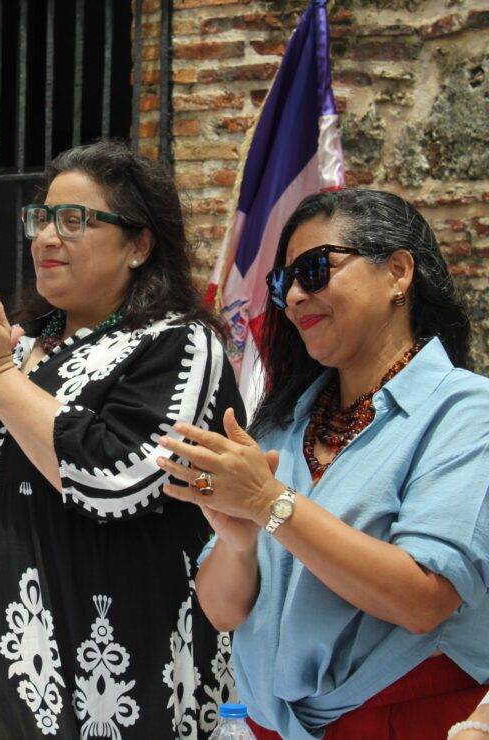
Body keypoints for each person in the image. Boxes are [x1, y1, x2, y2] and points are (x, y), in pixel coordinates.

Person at [0, 140, 244, 738]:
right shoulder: (13, 345)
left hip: (110, 683)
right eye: (40, 218)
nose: (46, 238)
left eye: (74, 221)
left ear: (139, 245)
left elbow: (114, 478)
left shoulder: (177, 344)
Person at [158, 189, 489, 739]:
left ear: (398, 273)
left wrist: (270, 504)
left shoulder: (464, 411)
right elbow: (222, 612)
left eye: (314, 270)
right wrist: (240, 540)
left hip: (408, 720)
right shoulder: (282, 423)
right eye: (281, 282)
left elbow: (422, 598)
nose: (292, 297)